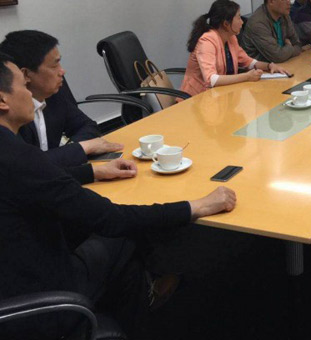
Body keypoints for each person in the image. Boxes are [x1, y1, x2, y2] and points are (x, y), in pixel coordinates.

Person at [0, 52, 236, 339]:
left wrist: (93, 172)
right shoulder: (18, 156)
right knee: (123, 237)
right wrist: (196, 206)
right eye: (23, 86)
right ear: (3, 100)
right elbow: (111, 218)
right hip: (39, 303)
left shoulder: (14, 156)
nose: (30, 94)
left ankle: (140, 305)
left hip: (15, 281)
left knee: (124, 267)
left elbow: (36, 182)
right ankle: (149, 302)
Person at [0, 30, 123, 169]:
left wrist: (71, 151)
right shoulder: (11, 113)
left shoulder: (52, 93)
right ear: (26, 75)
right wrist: (82, 148)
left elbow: (87, 126)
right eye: (54, 65)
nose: (62, 71)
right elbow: (27, 166)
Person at [180, 0, 289, 97]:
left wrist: (269, 66)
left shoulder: (231, 38)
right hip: (196, 99)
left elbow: (248, 62)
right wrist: (246, 77)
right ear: (226, 24)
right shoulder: (207, 41)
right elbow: (211, 79)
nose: (242, 22)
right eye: (238, 18)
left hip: (219, 95)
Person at [240, 0, 311, 63]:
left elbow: (298, 44)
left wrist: (289, 50)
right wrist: (289, 46)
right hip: (261, 69)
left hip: (283, 63)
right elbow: (278, 56)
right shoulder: (257, 23)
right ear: (271, 1)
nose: (289, 2)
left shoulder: (284, 15)